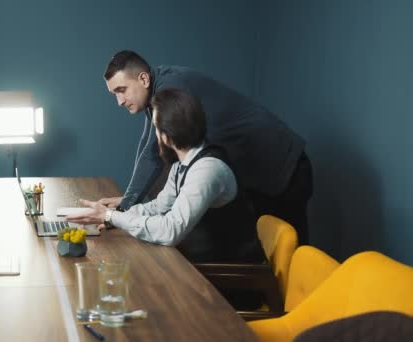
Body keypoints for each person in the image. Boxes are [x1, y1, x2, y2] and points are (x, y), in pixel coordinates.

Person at [99, 50, 313, 244]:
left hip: (284, 168)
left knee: (293, 264)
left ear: (143, 79)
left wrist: (123, 209)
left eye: (122, 90)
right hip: (257, 173)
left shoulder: (170, 87)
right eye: (114, 94)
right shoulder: (157, 90)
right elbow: (147, 145)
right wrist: (127, 204)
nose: (119, 101)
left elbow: (152, 153)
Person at [66, 88, 265, 264]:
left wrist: (110, 215)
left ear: (166, 135)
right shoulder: (182, 163)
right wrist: (113, 218)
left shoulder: (207, 169)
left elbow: (170, 230)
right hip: (196, 263)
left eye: (156, 127)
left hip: (226, 279)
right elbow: (159, 206)